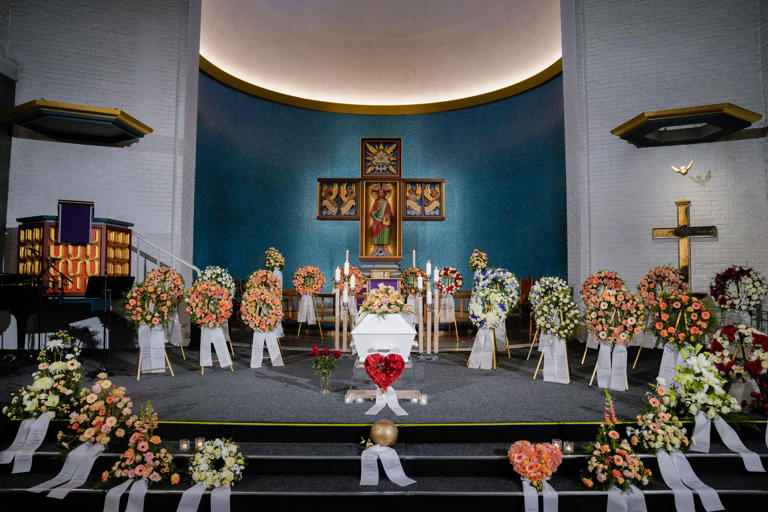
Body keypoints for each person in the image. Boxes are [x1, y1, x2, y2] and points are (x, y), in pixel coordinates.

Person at [369, 183, 393, 256]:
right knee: (374, 227)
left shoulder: (386, 203)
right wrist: (377, 210)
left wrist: (387, 215)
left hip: (384, 221)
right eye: (379, 192)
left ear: (385, 194)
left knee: (386, 229)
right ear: (377, 194)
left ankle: (385, 247)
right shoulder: (376, 202)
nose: (381, 194)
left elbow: (389, 212)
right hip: (377, 220)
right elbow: (372, 213)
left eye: (382, 192)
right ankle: (375, 246)